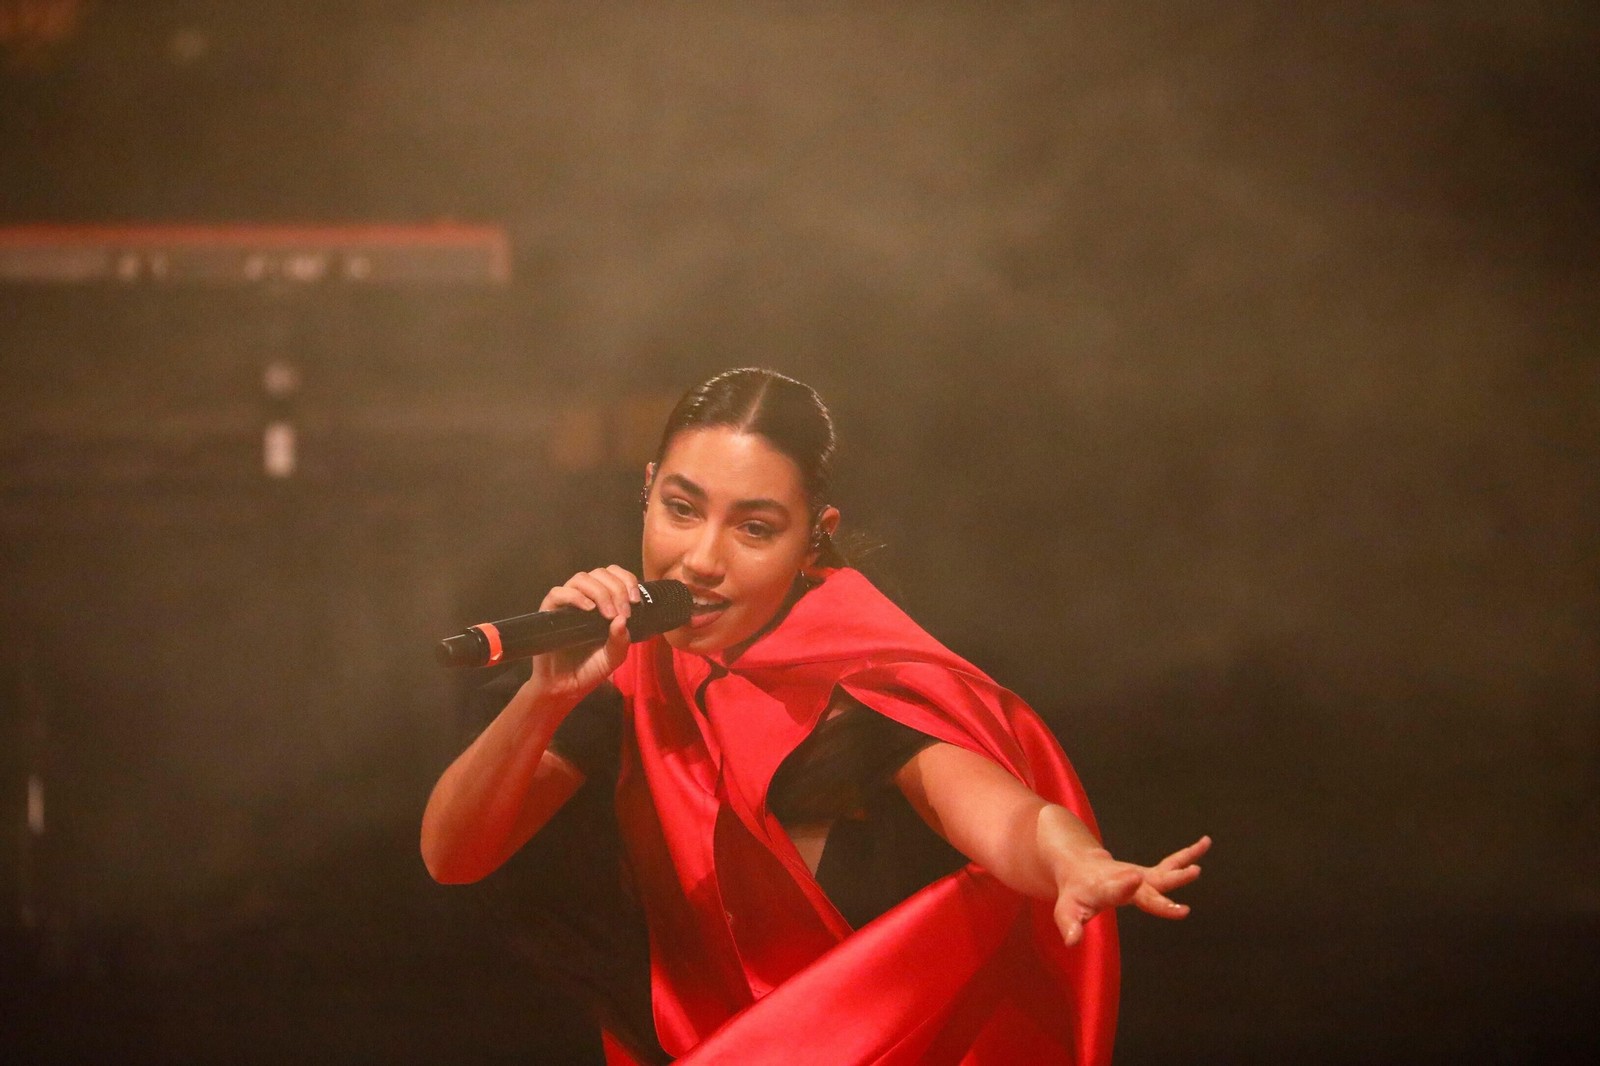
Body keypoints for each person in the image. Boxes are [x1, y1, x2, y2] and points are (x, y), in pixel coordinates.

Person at [421, 368, 1208, 1066]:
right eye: (681, 509)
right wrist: (543, 696)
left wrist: (1074, 861)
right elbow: (453, 855)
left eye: (754, 528)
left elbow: (1003, 816)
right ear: (650, 486)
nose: (700, 558)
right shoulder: (621, 662)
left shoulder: (864, 669)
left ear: (814, 542)